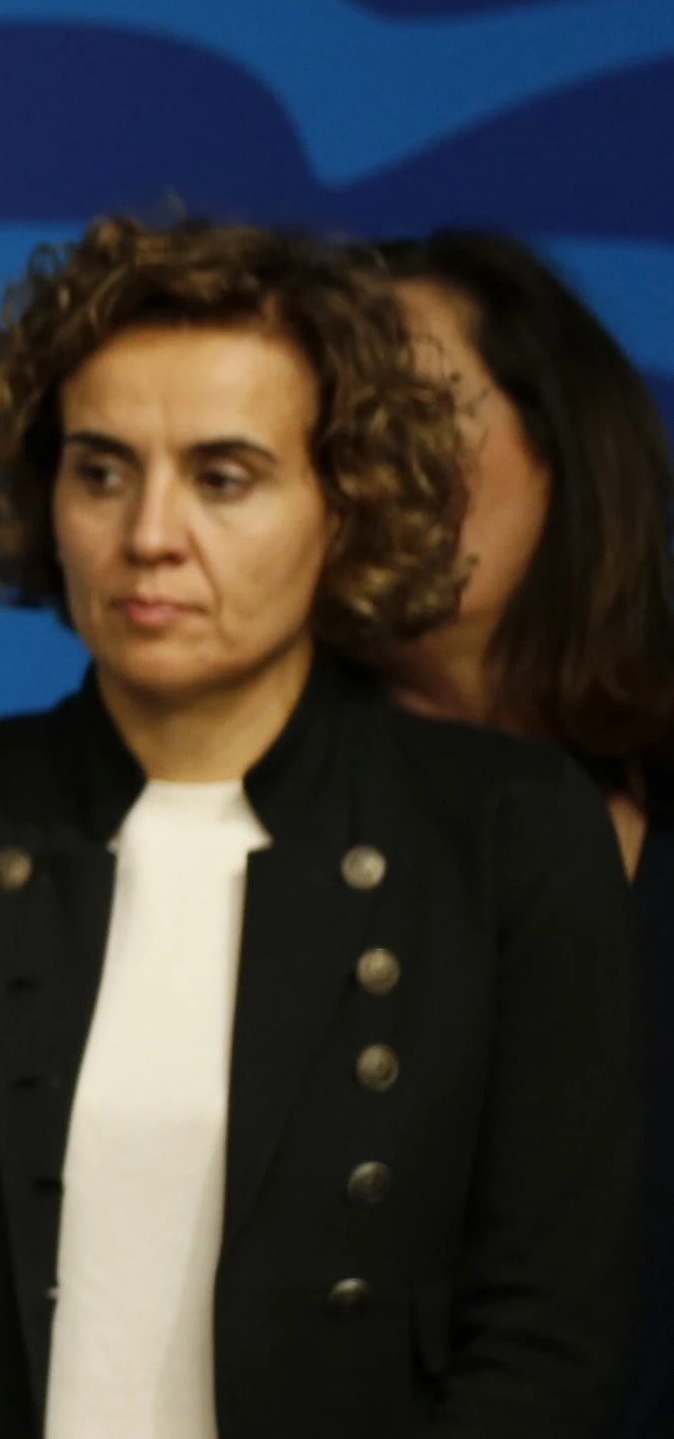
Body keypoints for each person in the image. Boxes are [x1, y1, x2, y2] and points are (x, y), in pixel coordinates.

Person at [0, 216, 637, 1439]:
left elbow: (546, 1340)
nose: (148, 533)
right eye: (100, 469)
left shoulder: (507, 837)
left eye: (222, 476)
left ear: (346, 502)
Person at [375, 229, 674, 1437]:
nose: (373, 461)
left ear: (560, 440)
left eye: (415, 408)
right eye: (332, 427)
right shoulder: (243, 828)